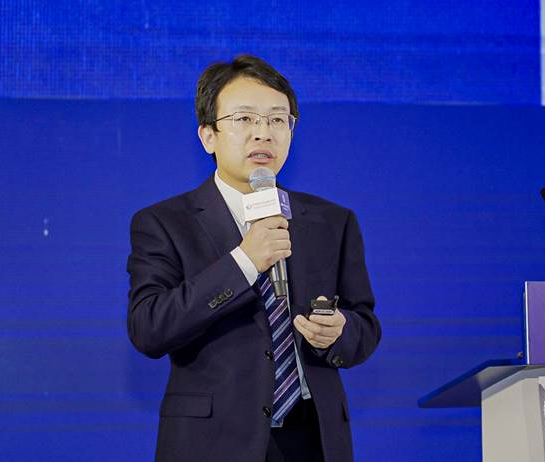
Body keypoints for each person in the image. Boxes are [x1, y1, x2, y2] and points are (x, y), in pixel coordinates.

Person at [127, 55, 381, 462]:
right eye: (244, 119)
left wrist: (339, 332)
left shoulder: (333, 221)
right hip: (212, 443)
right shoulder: (164, 223)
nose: (263, 133)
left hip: (313, 440)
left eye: (278, 120)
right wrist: (244, 262)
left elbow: (364, 325)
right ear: (208, 136)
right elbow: (149, 328)